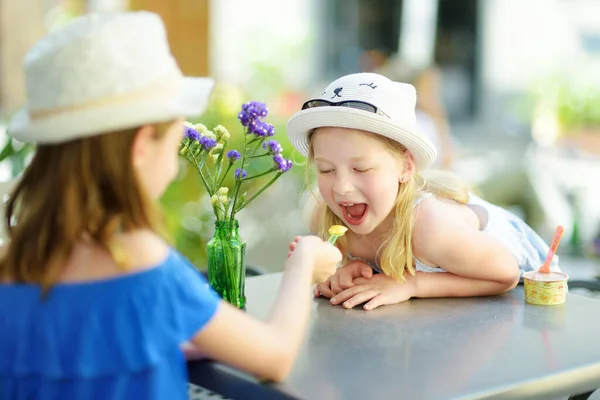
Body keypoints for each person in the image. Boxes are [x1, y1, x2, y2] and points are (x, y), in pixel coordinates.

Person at [0, 11, 341, 400]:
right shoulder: (138, 261)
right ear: (142, 145)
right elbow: (274, 355)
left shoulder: (10, 264)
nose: (177, 161)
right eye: (175, 139)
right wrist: (303, 266)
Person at [286, 72, 559, 311]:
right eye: (325, 170)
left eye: (361, 169)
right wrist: (344, 271)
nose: (341, 187)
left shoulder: (428, 227)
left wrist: (409, 285)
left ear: (405, 167)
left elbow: (505, 274)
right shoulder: (323, 215)